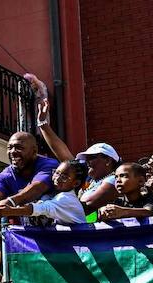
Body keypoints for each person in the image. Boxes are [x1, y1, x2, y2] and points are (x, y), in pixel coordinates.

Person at [28, 91, 117, 219]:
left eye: (91, 158)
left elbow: (86, 205)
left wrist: (53, 204)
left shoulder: (113, 180)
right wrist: (43, 124)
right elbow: (64, 156)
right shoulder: (88, 180)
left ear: (108, 161)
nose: (87, 162)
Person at [0, 131, 59, 220]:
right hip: (30, 232)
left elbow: (38, 187)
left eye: (19, 147)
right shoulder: (5, 175)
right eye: (9, 148)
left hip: (60, 230)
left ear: (34, 151)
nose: (13, 152)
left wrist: (11, 201)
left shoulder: (49, 165)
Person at [0, 160, 90, 225]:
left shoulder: (66, 199)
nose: (57, 178)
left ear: (76, 183)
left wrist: (11, 210)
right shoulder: (52, 195)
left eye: (64, 177)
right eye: (56, 173)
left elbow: (41, 209)